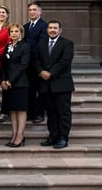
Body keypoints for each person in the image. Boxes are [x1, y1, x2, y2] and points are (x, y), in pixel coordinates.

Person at [35, 20, 74, 149]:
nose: (52, 30)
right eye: (50, 28)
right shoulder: (41, 44)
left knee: (63, 113)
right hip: (46, 85)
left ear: (60, 30)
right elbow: (36, 60)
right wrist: (41, 71)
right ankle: (53, 136)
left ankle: (63, 138)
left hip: (61, 84)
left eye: (55, 28)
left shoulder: (67, 44)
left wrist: (50, 73)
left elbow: (65, 62)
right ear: (47, 30)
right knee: (51, 113)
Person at [0, 23, 30, 147]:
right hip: (8, 84)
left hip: (20, 83)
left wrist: (10, 80)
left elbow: (23, 65)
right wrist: (3, 80)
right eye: (12, 31)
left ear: (21, 33)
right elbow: (4, 66)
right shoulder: (8, 47)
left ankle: (20, 135)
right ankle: (14, 134)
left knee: (20, 110)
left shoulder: (25, 46)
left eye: (16, 31)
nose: (13, 34)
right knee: (12, 109)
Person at [23, 2, 48, 123]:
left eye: (34, 10)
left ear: (40, 12)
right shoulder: (25, 27)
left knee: (41, 90)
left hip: (38, 63)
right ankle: (31, 112)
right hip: (27, 64)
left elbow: (42, 45)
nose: (32, 12)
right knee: (30, 90)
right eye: (30, 10)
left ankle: (40, 113)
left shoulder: (45, 26)